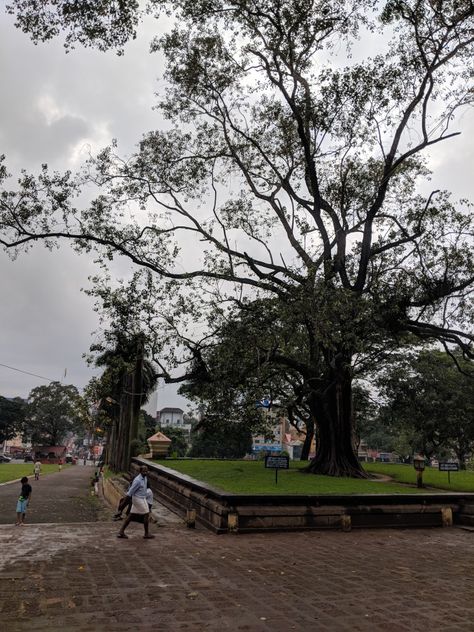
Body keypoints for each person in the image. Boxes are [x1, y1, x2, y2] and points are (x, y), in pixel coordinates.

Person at [117, 465, 155, 539]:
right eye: (144, 471)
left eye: (147, 471)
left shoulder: (145, 478)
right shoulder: (137, 480)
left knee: (131, 515)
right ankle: (146, 533)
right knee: (146, 513)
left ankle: (121, 532)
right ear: (140, 472)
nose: (145, 473)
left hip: (142, 498)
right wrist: (123, 504)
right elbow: (130, 492)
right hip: (137, 499)